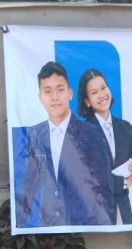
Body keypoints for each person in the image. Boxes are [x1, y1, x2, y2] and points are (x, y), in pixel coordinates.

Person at [15, 62, 116, 228]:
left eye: (60, 89)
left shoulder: (91, 133)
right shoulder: (34, 134)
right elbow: (28, 187)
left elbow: (104, 189)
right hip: (47, 229)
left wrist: (103, 229)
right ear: (40, 97)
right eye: (48, 91)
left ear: (70, 93)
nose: (54, 97)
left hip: (83, 228)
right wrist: (19, 224)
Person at [78, 69, 132, 225]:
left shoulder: (125, 127)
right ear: (87, 101)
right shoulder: (83, 133)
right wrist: (123, 182)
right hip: (96, 213)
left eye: (104, 88)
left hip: (124, 212)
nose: (102, 94)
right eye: (94, 92)